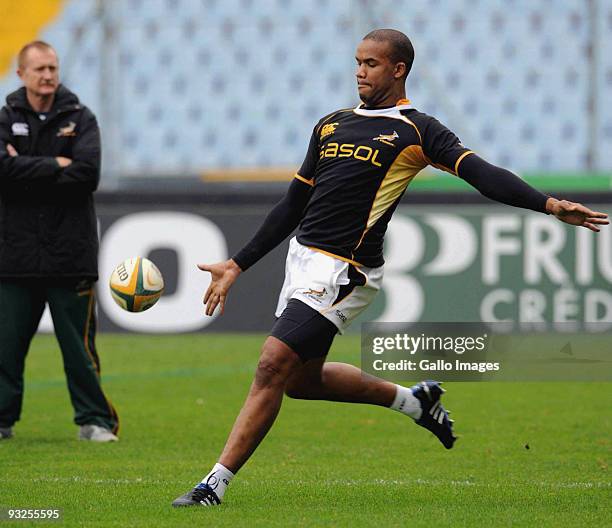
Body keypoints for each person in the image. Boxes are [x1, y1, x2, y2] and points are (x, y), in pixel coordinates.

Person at [173, 29, 609, 507]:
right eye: (357, 62)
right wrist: (237, 264)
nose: (360, 71)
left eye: (371, 63)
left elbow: (482, 174)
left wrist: (547, 204)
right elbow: (293, 203)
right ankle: (414, 401)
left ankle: (213, 485)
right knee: (298, 381)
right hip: (303, 262)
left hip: (346, 271)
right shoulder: (331, 125)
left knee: (271, 363)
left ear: (398, 69)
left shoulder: (416, 130)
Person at [0, 41, 119, 442]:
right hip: (13, 255)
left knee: (79, 349)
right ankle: (2, 421)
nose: (48, 75)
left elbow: (87, 174)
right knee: (5, 347)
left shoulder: (81, 118)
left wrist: (23, 169)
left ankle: (95, 421)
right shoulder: (4, 118)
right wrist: (55, 164)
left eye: (52, 67)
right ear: (21, 74)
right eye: (39, 69)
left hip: (70, 254)